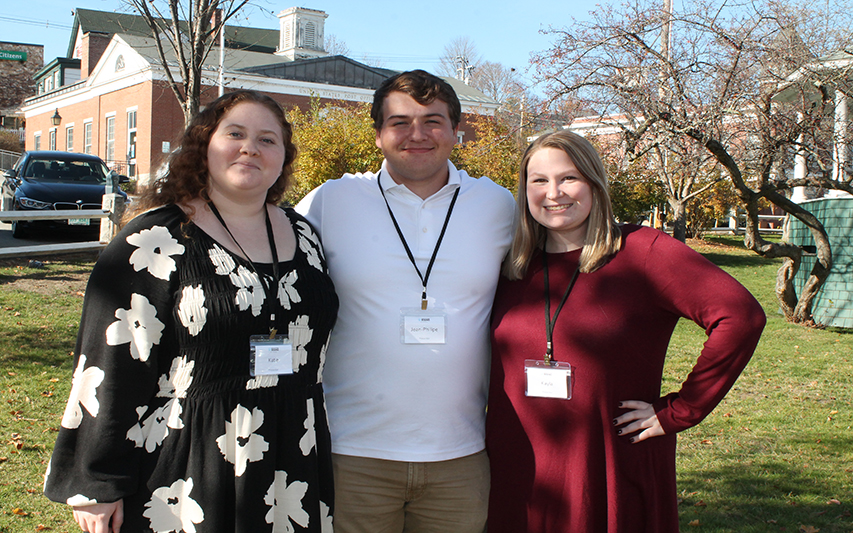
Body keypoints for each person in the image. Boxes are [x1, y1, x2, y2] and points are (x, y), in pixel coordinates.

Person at [44, 90, 338, 533]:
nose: (249, 148)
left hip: (292, 455)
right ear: (204, 145)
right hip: (186, 463)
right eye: (235, 134)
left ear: (283, 158)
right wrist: (97, 481)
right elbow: (108, 367)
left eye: (267, 140)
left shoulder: (305, 235)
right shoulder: (154, 241)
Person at [485, 130, 766, 532]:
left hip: (608, 462)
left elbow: (740, 316)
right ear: (524, 190)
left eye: (569, 178)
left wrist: (680, 410)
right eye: (539, 180)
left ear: (594, 184)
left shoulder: (642, 251)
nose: (554, 193)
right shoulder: (509, 263)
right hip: (519, 464)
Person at [296, 70, 515, 533]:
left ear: (457, 131)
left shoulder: (498, 206)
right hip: (353, 452)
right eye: (399, 122)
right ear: (377, 135)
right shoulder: (330, 202)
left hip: (460, 454)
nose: (417, 134)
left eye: (433, 121)